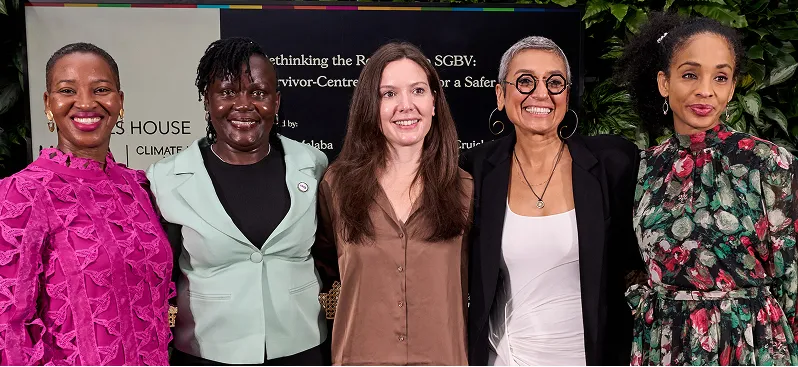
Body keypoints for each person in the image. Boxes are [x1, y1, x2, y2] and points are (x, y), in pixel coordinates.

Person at [617, 12, 797, 365]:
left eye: (720, 77)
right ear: (663, 83)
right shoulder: (642, 167)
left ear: (731, 88)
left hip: (752, 347)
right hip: (665, 346)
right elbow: (630, 264)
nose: (705, 90)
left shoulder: (769, 162)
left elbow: (792, 276)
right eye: (689, 74)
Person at [460, 36, 642, 365]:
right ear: (501, 95)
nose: (541, 94)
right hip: (505, 357)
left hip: (589, 357)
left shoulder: (613, 164)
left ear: (567, 95)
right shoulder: (475, 169)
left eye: (554, 82)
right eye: (525, 81)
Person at [146, 37, 328, 365]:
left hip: (301, 350)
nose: (243, 105)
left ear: (276, 101)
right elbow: (160, 278)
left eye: (258, 93)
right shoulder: (166, 178)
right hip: (207, 353)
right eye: (228, 92)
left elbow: (330, 257)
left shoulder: (313, 164)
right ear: (207, 100)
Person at [0, 42, 173, 365]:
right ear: (48, 103)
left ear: (119, 102)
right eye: (67, 90)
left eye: (101, 89)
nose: (85, 102)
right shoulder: (21, 193)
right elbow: (7, 327)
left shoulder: (137, 187)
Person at [312, 41, 472, 365]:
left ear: (434, 102)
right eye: (389, 94)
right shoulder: (337, 186)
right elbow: (325, 264)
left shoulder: (466, 189)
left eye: (417, 91)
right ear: (371, 106)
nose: (405, 105)